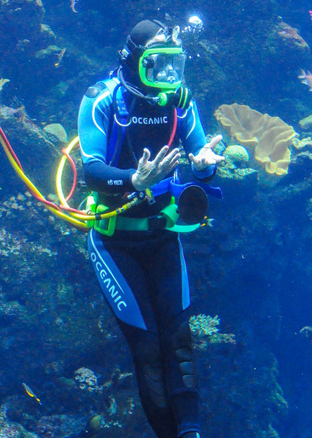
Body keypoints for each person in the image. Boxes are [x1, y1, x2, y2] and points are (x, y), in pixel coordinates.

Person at [77, 19, 224, 438]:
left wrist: (207, 165)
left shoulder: (179, 100)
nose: (166, 74)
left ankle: (190, 431)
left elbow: (202, 160)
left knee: (179, 339)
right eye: (156, 63)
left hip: (163, 234)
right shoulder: (103, 99)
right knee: (146, 347)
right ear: (133, 59)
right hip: (113, 239)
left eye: (173, 64)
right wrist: (133, 181)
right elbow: (91, 172)